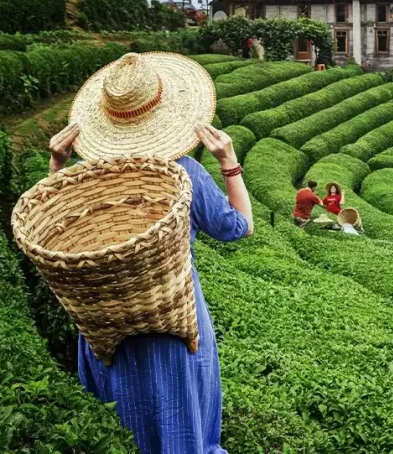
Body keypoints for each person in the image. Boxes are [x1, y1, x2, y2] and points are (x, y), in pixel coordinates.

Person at [49, 52, 254, 454]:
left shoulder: (86, 180)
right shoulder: (183, 175)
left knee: (119, 427)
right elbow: (239, 227)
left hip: (106, 328)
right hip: (171, 323)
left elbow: (56, 232)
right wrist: (229, 164)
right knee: (179, 420)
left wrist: (57, 165)